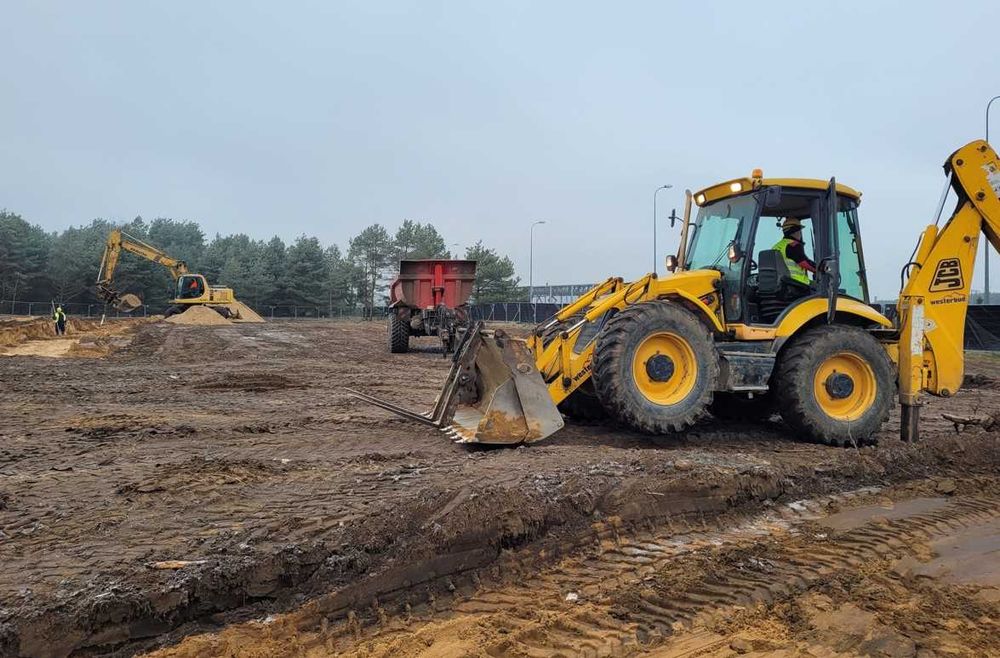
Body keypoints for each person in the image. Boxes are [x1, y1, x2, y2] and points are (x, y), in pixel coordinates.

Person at [772, 217, 817, 285]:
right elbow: (804, 263)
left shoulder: (776, 246)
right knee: (818, 287)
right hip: (796, 284)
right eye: (800, 231)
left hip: (782, 284)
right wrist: (819, 269)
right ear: (795, 232)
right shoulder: (793, 245)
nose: (800, 234)